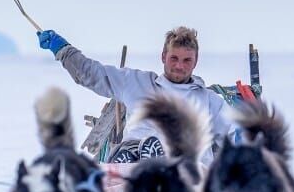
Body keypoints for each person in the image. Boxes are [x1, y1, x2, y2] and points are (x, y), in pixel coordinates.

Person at [37, 26, 233, 165]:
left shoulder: (209, 101)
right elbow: (91, 74)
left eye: (186, 60)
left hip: (188, 167)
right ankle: (132, 164)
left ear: (195, 61)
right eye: (174, 58)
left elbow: (236, 131)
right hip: (136, 153)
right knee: (131, 152)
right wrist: (62, 49)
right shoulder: (136, 83)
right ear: (163, 56)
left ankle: (156, 162)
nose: (179, 66)